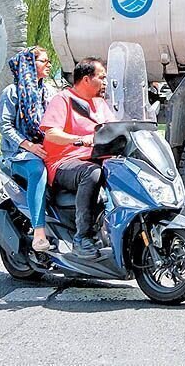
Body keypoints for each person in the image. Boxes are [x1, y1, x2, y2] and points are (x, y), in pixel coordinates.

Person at [39, 57, 116, 257]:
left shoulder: (100, 104)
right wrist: (80, 139)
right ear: (86, 79)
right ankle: (82, 237)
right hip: (63, 163)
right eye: (102, 78)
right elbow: (51, 133)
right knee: (92, 174)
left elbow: (113, 129)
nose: (106, 82)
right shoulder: (63, 99)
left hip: (97, 158)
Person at [0, 47, 58, 253]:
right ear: (29, 65)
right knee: (37, 171)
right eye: (43, 61)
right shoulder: (11, 92)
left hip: (49, 147)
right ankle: (39, 233)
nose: (48, 65)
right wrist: (29, 145)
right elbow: (5, 126)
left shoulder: (49, 91)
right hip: (19, 154)